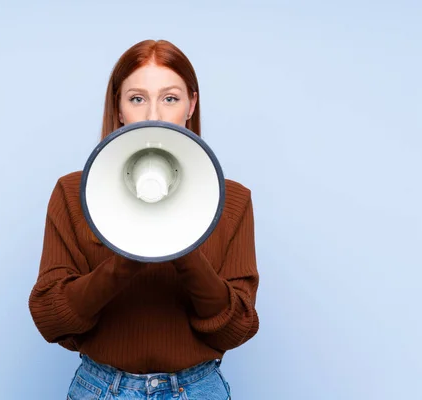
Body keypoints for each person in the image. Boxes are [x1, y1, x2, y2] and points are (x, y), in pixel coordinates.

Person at [29, 39, 259, 400]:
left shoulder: (232, 200)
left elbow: (236, 329)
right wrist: (126, 257)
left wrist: (183, 244)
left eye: (170, 98)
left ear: (191, 105)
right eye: (137, 98)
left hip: (197, 389)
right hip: (101, 388)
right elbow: (51, 319)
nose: (154, 114)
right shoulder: (72, 193)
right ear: (119, 108)